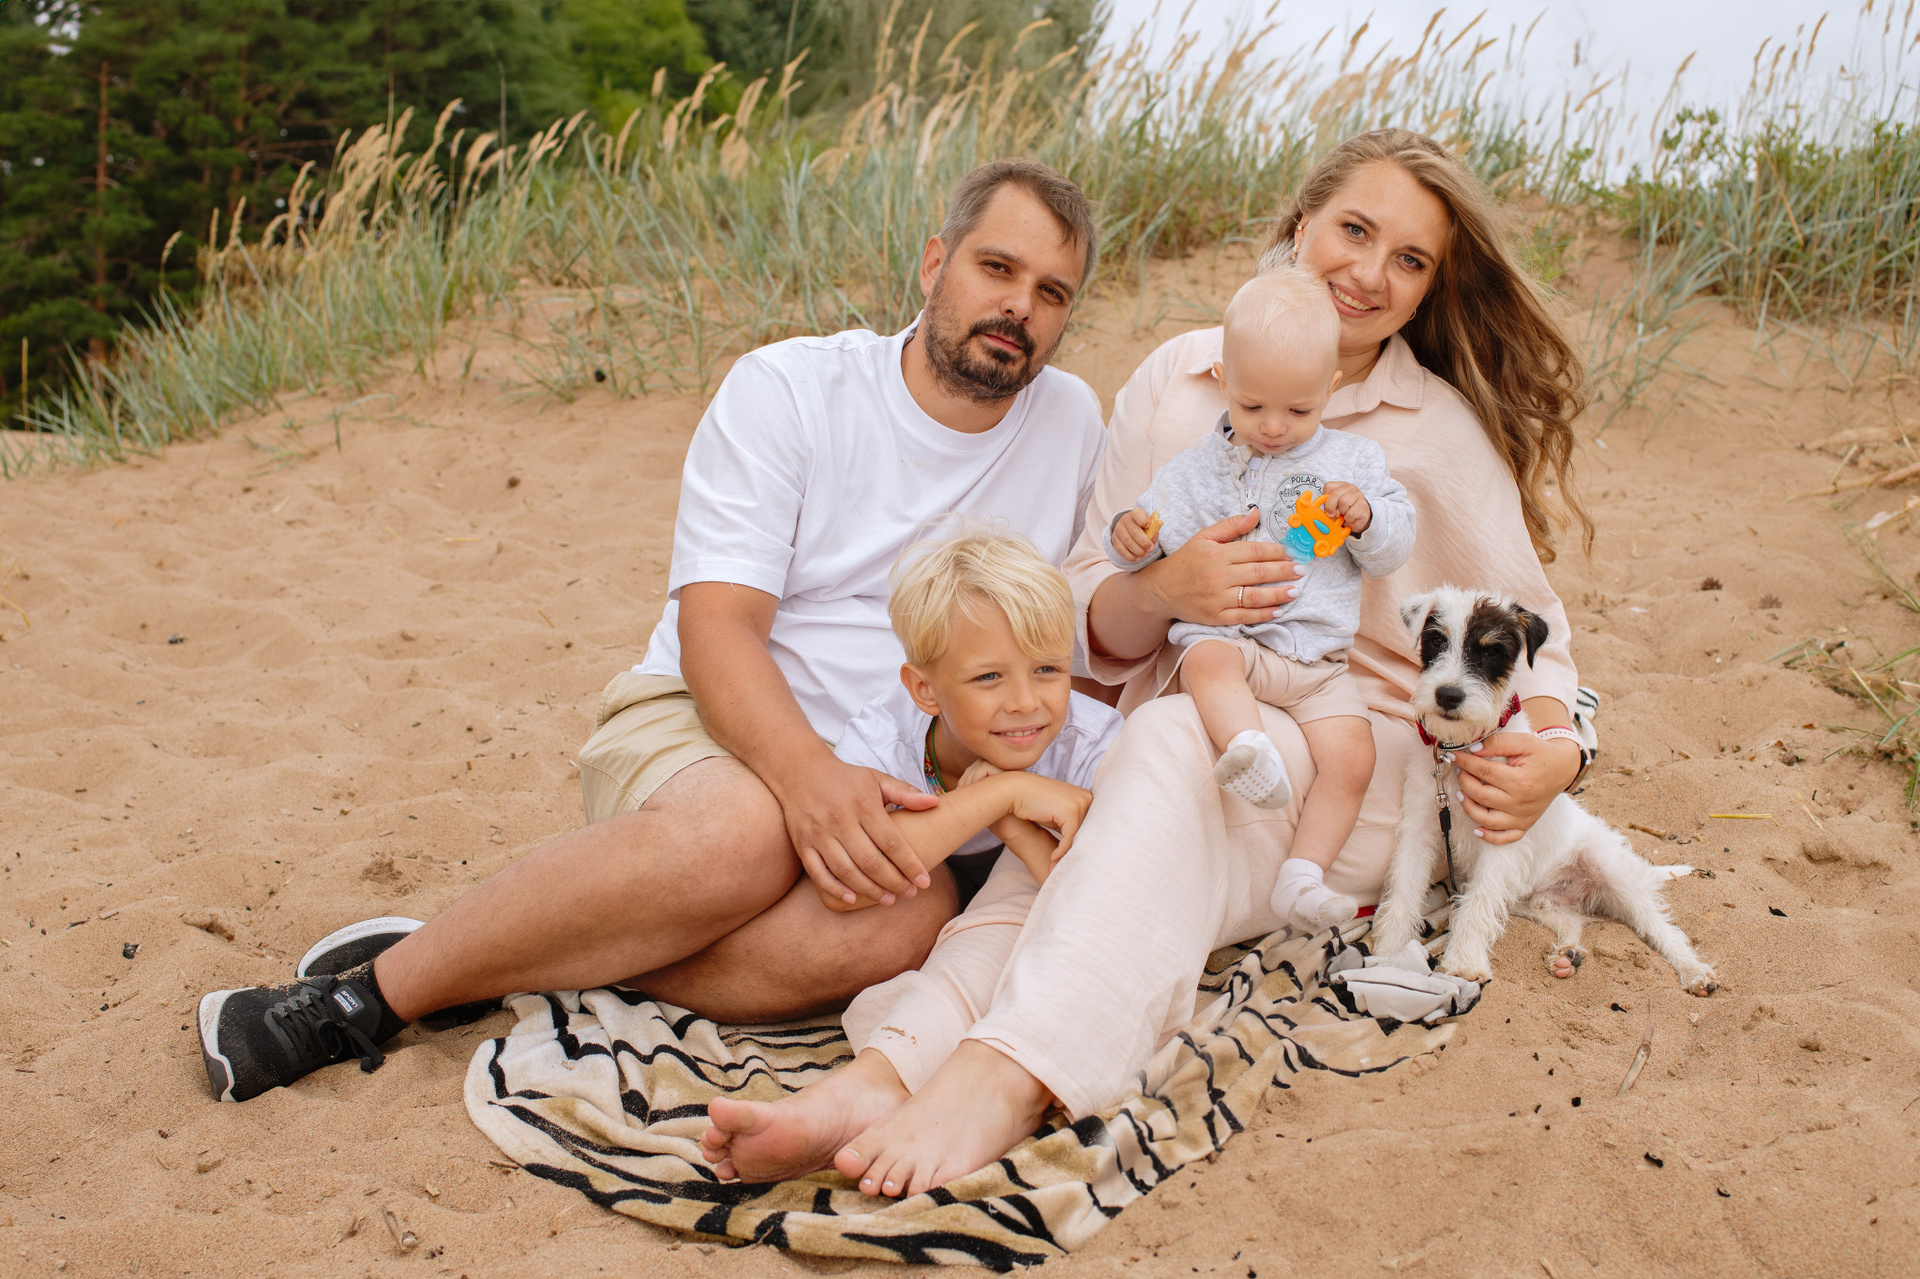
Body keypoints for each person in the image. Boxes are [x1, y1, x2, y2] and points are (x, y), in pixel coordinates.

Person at [711, 129, 1597, 1200]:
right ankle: (879, 1076)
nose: (1370, 272)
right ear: (1301, 225)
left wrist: (1561, 751)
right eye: (1354, 230)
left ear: (1428, 288)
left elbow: (1541, 630)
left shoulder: (1430, 428)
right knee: (1074, 834)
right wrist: (1166, 587)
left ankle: (1004, 1080)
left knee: (1165, 751)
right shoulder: (1179, 379)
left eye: (1409, 259)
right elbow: (1086, 606)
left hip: (1341, 756)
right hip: (1170, 717)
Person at [194, 159, 1111, 1104]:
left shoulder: (1072, 422)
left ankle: (510, 954)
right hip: (714, 726)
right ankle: (364, 998)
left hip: (906, 774)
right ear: (933, 263)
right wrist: (809, 780)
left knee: (905, 923)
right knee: (744, 834)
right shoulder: (791, 388)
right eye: (996, 268)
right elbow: (717, 627)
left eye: (1052, 292)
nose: (1019, 307)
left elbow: (1088, 617)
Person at [698, 524, 1120, 1183]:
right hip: (927, 907)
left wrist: (1014, 830)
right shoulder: (888, 739)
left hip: (1009, 910)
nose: (1025, 702)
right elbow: (864, 874)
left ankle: (911, 1089)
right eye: (988, 677)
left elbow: (1085, 897)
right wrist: (998, 796)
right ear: (924, 690)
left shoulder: (1090, 743)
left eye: (1048, 669)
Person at [1103, 264, 1414, 930]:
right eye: (1252, 407)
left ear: (1331, 388)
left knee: (1353, 757)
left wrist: (1367, 516)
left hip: (1317, 662)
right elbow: (1146, 537)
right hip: (1235, 643)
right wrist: (1128, 535)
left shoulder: (1353, 464)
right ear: (1224, 382)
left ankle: (1301, 877)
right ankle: (1248, 748)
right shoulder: (1196, 468)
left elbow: (1392, 550)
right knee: (1203, 660)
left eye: (1299, 410)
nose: (1273, 427)